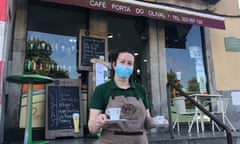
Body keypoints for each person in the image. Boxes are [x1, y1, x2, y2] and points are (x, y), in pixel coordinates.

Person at [88, 49, 168, 144]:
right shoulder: (101, 90)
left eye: (129, 63)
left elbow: (146, 122)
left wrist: (157, 122)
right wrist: (98, 122)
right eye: (122, 62)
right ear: (114, 65)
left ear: (133, 67)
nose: (126, 66)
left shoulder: (140, 89)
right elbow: (92, 129)